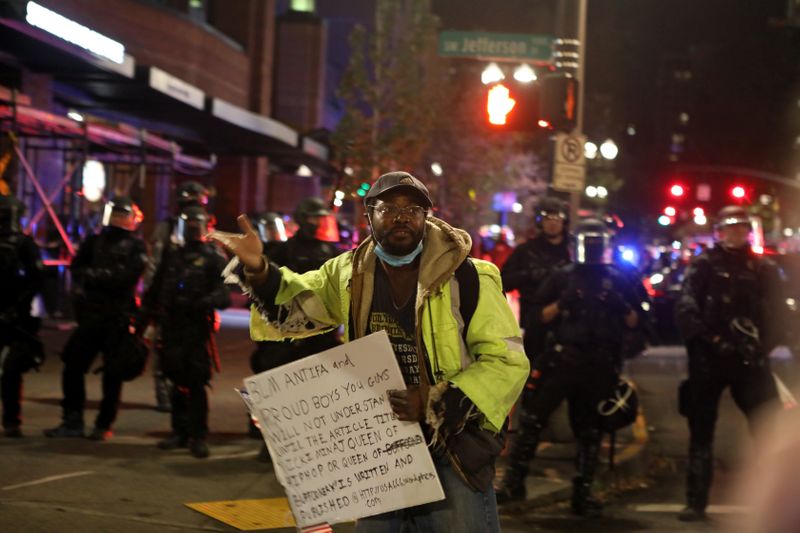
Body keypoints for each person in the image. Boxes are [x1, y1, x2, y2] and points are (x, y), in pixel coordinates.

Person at [211, 171, 528, 533]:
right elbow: (298, 308)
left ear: (428, 216)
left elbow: (506, 362)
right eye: (389, 208)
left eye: (413, 209)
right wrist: (257, 268)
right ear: (369, 217)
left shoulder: (470, 277)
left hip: (452, 447)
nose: (401, 217)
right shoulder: (347, 273)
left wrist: (432, 401)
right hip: (378, 447)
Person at [501, 217, 646, 516]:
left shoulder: (619, 278)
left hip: (599, 365)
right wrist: (563, 305)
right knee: (533, 422)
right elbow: (535, 318)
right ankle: (515, 484)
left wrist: (621, 306)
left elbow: (640, 323)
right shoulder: (562, 276)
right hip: (562, 360)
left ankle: (583, 492)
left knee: (590, 430)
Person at [674, 205, 788, 522]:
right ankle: (696, 502)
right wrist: (711, 342)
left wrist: (762, 346)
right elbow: (685, 309)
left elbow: (781, 314)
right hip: (709, 360)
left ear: (748, 231)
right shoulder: (704, 266)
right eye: (729, 228)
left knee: (769, 428)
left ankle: (776, 497)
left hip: (749, 360)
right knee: (701, 430)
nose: (735, 233)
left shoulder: (762, 268)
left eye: (740, 228)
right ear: (718, 231)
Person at [45, 196, 147, 441]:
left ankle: (104, 423)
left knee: (112, 373)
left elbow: (128, 276)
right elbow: (77, 267)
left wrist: (97, 277)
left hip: (117, 318)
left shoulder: (136, 246)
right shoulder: (94, 241)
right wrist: (94, 278)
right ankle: (72, 420)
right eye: (115, 214)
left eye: (122, 214)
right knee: (72, 366)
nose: (118, 219)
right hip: (91, 316)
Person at [248, 202, 342, 459]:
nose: (318, 223)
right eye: (313, 217)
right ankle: (272, 445)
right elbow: (266, 286)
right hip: (285, 333)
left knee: (317, 392)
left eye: (321, 218)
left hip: (321, 333)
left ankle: (312, 446)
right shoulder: (284, 250)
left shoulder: (332, 252)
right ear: (302, 218)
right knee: (278, 389)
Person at [495, 196, 572, 503]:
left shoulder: (574, 250)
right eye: (548, 216)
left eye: (558, 215)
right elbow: (502, 279)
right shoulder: (527, 252)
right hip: (538, 331)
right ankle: (517, 477)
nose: (554, 221)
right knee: (533, 399)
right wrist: (532, 277)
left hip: (574, 335)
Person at [143, 206, 230, 459]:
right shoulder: (173, 257)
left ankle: (198, 435)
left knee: (196, 382)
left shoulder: (214, 258)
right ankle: (179, 432)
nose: (193, 228)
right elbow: (156, 289)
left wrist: (203, 302)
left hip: (195, 327)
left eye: (197, 224)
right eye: (189, 224)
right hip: (172, 326)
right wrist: (144, 319)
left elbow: (224, 293)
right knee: (174, 379)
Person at [145, 180, 210, 412]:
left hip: (197, 303)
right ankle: (166, 396)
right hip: (170, 298)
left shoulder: (208, 227)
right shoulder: (167, 227)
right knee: (164, 348)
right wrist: (152, 297)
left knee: (195, 357)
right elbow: (155, 263)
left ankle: (187, 398)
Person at [0, 194, 44, 437]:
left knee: (12, 370)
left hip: (16, 316)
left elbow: (36, 279)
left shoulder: (24, 244)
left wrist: (18, 306)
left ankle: (11, 420)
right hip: (10, 312)